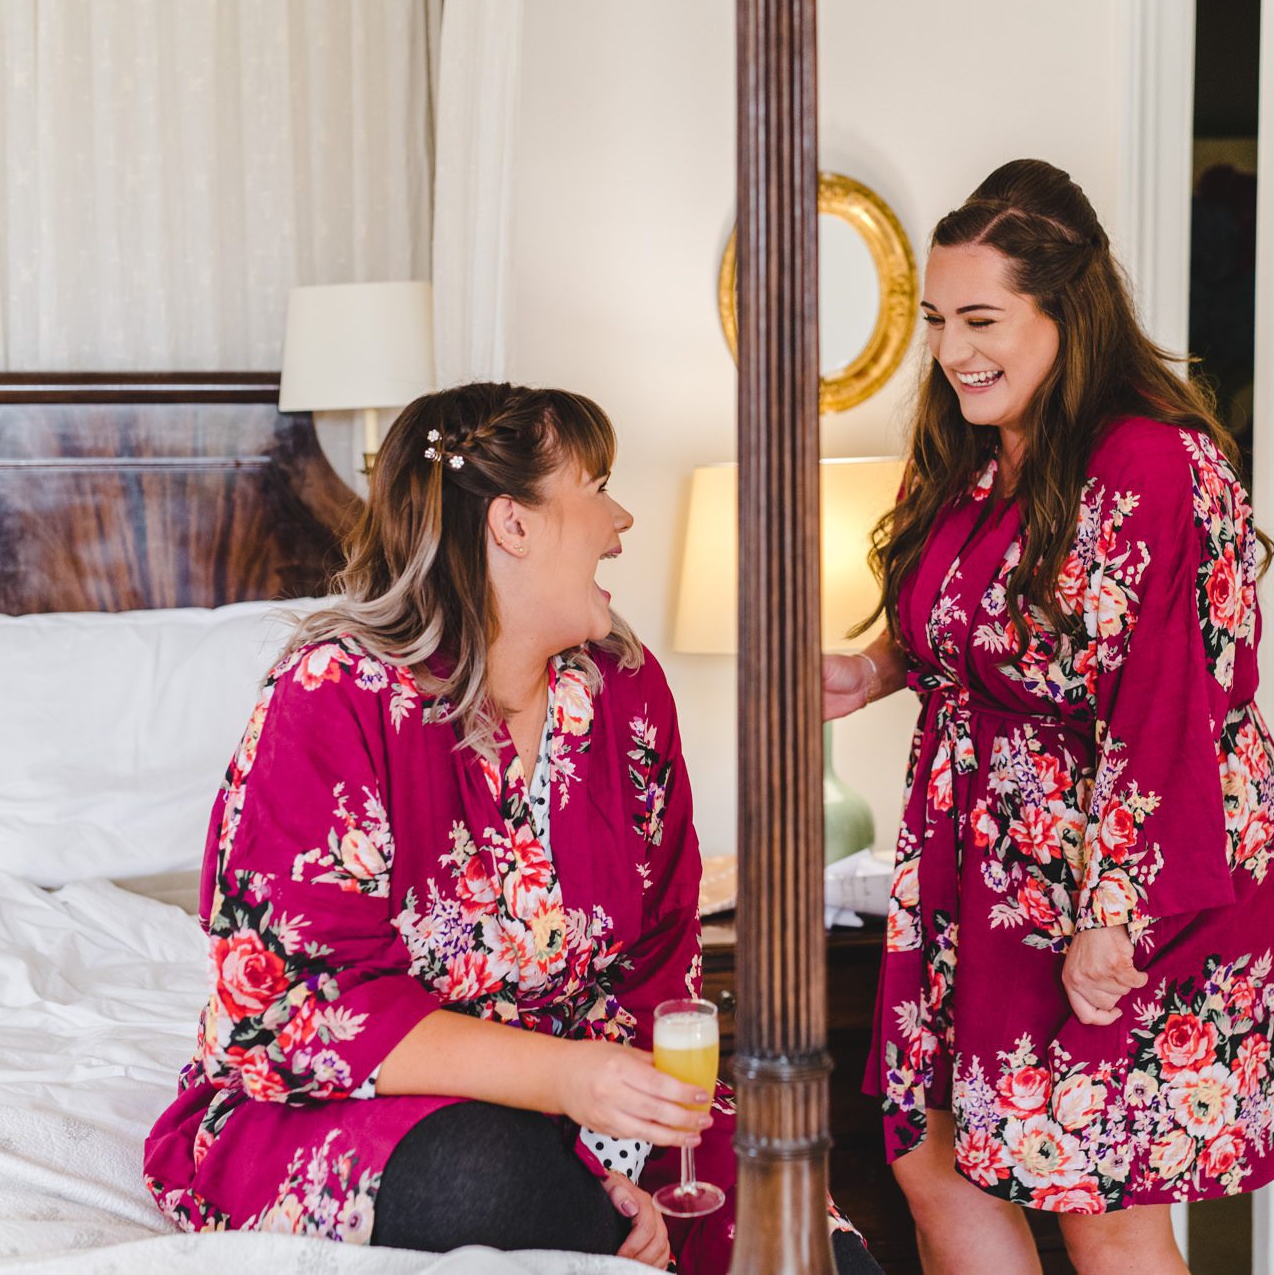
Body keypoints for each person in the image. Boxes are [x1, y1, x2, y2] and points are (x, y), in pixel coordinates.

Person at [144, 382, 874, 1273]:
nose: (622, 517)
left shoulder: (624, 692)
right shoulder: (333, 699)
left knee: (787, 1210)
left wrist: (620, 1148)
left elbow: (658, 964)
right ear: (511, 525)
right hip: (348, 1102)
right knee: (490, 1177)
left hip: (590, 1102)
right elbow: (301, 1004)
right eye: (597, 484)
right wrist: (569, 1090)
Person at [824, 160, 1274, 1275]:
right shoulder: (970, 452)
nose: (950, 350)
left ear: (1065, 313)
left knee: (1100, 1191)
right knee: (924, 1146)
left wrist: (1113, 915)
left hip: (1123, 851)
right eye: (938, 319)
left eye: (981, 319)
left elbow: (1164, 702)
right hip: (974, 859)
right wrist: (877, 667)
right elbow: (997, 623)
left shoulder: (1152, 461)